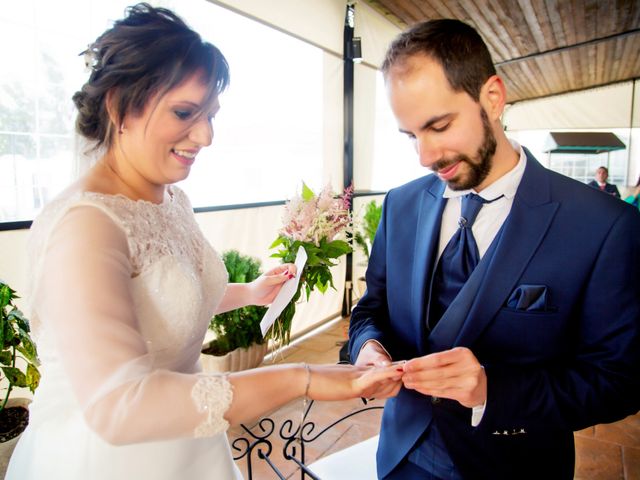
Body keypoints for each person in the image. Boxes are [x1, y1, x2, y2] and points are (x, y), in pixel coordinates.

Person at [6, 4, 402, 480]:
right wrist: (305, 377)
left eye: (210, 114)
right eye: (185, 112)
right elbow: (118, 406)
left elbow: (166, 295)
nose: (206, 135)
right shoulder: (86, 226)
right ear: (118, 106)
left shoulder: (173, 198)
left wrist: (249, 293)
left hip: (188, 442)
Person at [348, 18, 640, 480]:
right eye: (411, 136)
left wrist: (491, 390)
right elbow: (371, 309)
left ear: (493, 98)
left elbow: (619, 382)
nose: (426, 156)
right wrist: (368, 347)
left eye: (439, 126)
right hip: (400, 455)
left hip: (514, 464)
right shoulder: (401, 204)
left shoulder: (605, 225)